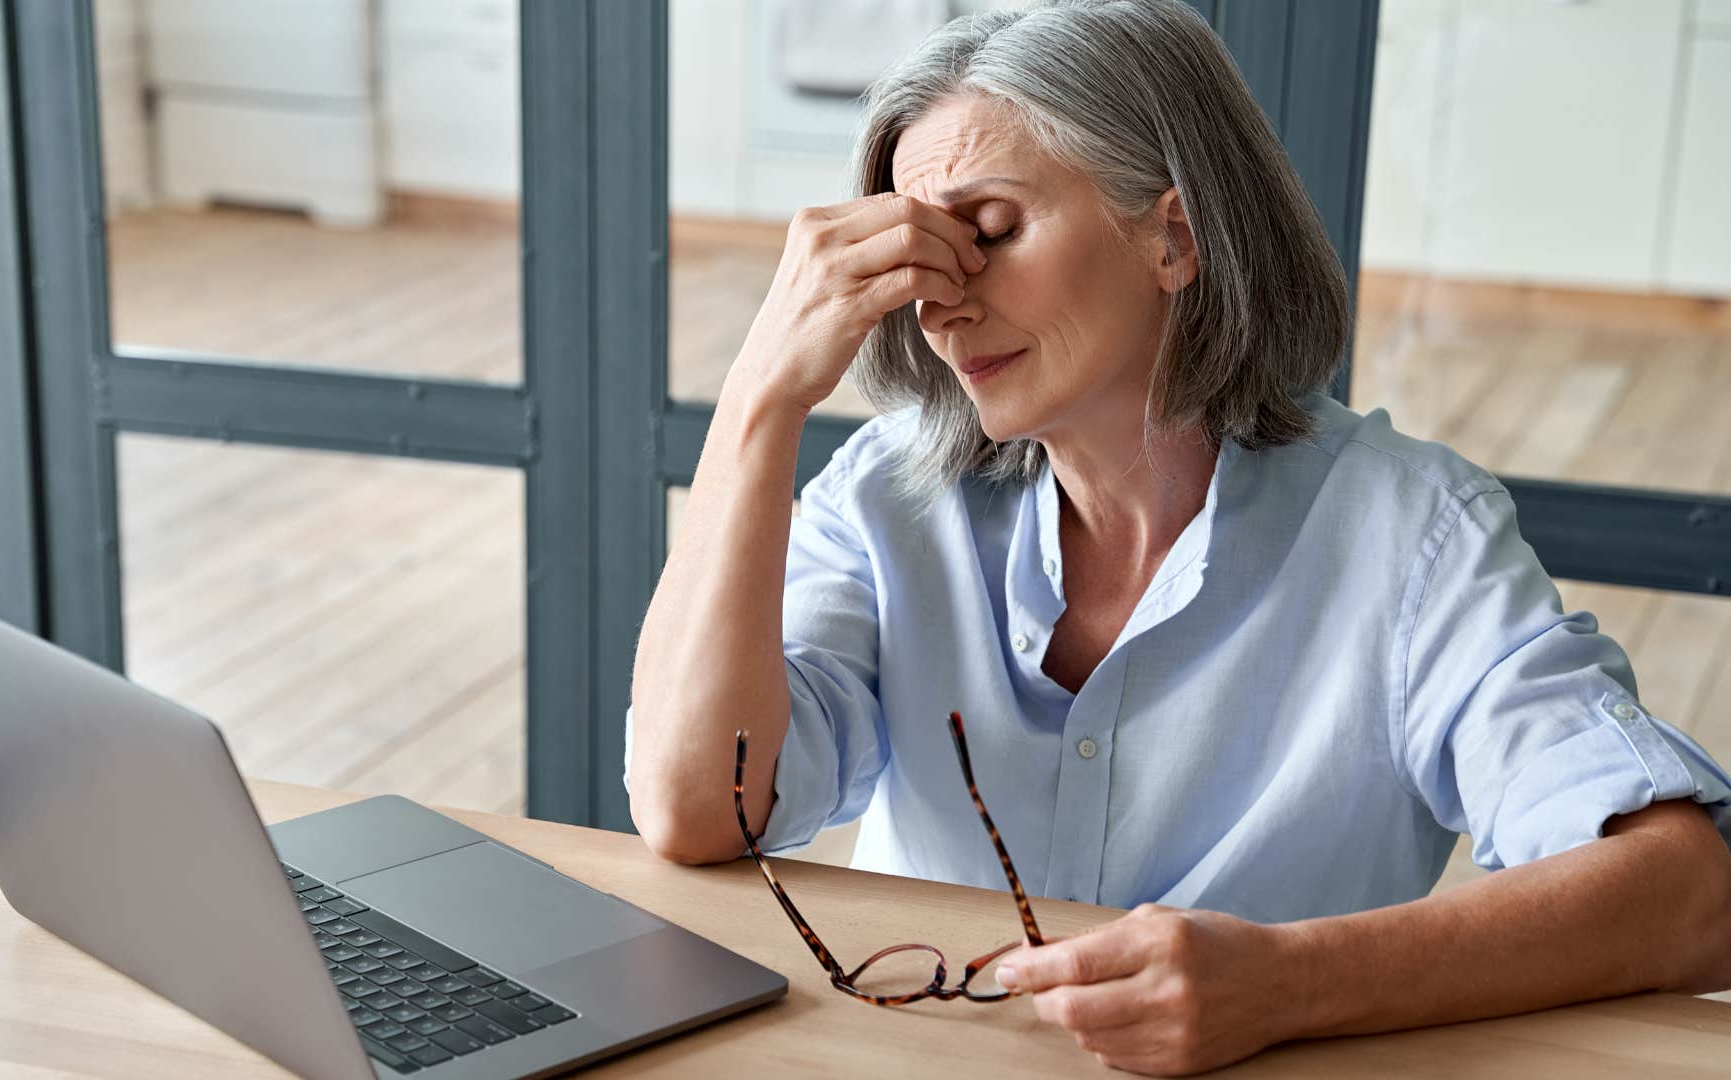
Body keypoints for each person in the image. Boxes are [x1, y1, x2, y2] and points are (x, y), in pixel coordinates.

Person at [623, 0, 1731, 1072]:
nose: (940, 303)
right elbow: (697, 809)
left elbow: (1692, 891)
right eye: (919, 256)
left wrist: (1290, 982)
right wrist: (761, 395)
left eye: (990, 232)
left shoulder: (1410, 539)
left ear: (1176, 235)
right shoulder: (887, 499)